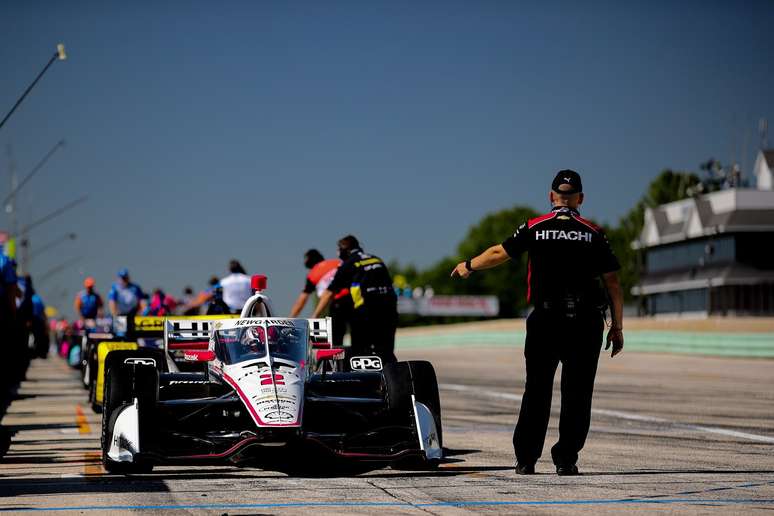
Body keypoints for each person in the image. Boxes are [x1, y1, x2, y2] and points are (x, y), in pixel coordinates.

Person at [451, 169, 624, 476]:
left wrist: (468, 266)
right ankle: (566, 459)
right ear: (580, 199)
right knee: (578, 393)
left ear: (551, 197)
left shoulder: (535, 226)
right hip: (585, 322)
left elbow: (498, 253)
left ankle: (526, 459)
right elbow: (613, 283)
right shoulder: (594, 232)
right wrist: (618, 327)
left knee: (537, 390)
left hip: (546, 319)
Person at [312, 236, 398, 363]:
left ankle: (365, 379)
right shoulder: (376, 259)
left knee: (360, 351)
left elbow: (329, 293)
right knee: (386, 351)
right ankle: (390, 378)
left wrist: (315, 316)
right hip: (389, 309)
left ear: (344, 250)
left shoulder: (349, 263)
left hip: (367, 310)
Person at [288, 249, 351, 346]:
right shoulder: (337, 262)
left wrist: (290, 319)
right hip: (355, 298)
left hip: (338, 302)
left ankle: (337, 358)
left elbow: (302, 300)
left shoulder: (312, 273)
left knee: (336, 338)